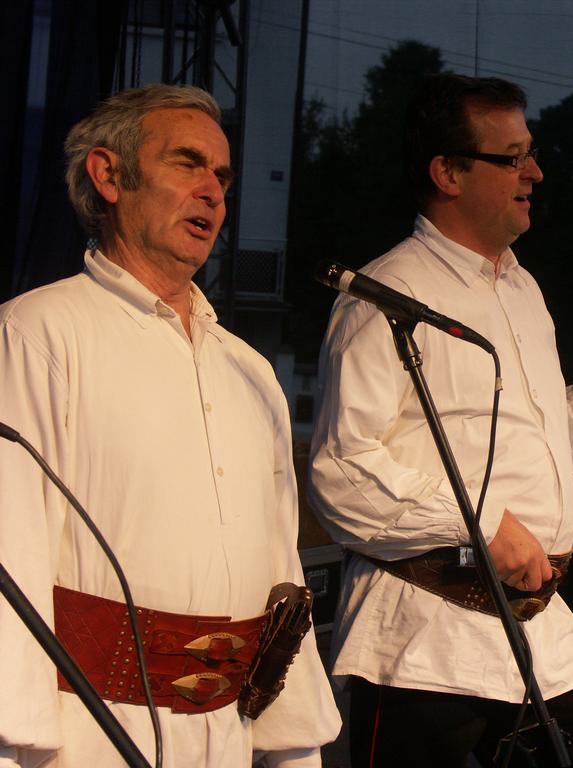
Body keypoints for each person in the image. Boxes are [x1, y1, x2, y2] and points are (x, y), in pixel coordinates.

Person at [308, 73, 573, 768]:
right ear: (448, 172)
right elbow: (343, 474)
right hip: (427, 646)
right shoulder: (386, 295)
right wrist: (482, 524)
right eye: (512, 157)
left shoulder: (522, 288)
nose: (534, 172)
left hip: (539, 642)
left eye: (530, 153)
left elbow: (540, 442)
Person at [0, 84, 340, 767]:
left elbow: (280, 565)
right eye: (187, 163)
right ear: (109, 174)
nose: (213, 191)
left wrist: (293, 746)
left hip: (227, 733)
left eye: (222, 177)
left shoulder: (248, 370)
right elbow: (12, 549)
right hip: (88, 734)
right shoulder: (39, 332)